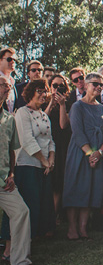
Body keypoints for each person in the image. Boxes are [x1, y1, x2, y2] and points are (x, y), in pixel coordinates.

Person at [63, 73, 103, 240]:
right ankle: (72, 228)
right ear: (86, 86)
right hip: (80, 153)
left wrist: (100, 153)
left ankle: (83, 227)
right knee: (77, 188)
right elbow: (77, 132)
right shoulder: (77, 107)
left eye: (101, 84)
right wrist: (90, 154)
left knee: (91, 189)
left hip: (99, 153)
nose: (99, 87)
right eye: (95, 84)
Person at [0, 74, 40, 265]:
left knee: (21, 212)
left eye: (8, 86)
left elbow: (12, 150)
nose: (6, 89)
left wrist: (12, 174)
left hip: (5, 182)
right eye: (2, 85)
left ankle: (19, 261)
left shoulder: (9, 118)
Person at [8, 79, 56, 241]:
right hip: (26, 165)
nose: (44, 94)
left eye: (45, 91)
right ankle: (16, 241)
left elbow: (50, 140)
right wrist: (43, 161)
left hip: (43, 166)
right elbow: (27, 140)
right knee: (28, 203)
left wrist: (51, 159)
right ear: (31, 92)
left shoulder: (44, 115)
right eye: (40, 91)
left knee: (40, 205)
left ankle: (33, 237)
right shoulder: (23, 112)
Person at [45, 73, 71, 218]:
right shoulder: (44, 101)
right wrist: (51, 102)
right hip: (46, 143)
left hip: (60, 144)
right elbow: (43, 119)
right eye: (55, 85)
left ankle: (54, 216)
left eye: (61, 86)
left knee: (58, 180)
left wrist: (61, 105)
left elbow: (63, 125)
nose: (57, 89)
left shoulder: (68, 102)